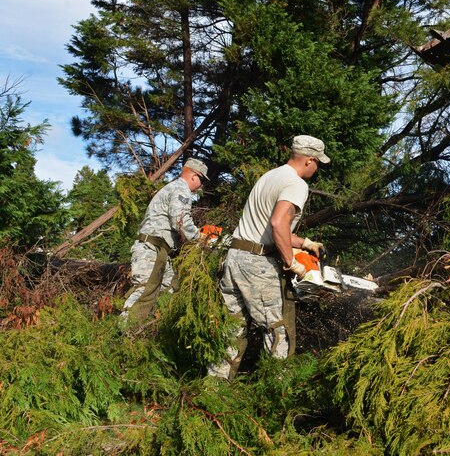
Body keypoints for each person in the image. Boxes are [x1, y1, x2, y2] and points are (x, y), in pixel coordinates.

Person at [208, 135, 330, 379]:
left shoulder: (270, 176)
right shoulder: (296, 184)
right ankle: (275, 392)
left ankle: (215, 388)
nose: (317, 170)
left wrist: (305, 243)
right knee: (277, 330)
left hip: (235, 257)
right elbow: (277, 224)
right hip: (257, 264)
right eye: (318, 164)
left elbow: (269, 227)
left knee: (232, 328)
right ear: (309, 160)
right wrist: (292, 262)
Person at [122, 158, 209, 324]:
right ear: (193, 176)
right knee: (144, 292)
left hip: (159, 250)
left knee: (167, 290)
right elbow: (180, 220)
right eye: (202, 180)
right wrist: (200, 239)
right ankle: (123, 334)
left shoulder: (173, 188)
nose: (201, 185)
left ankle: (146, 330)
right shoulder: (181, 190)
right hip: (152, 249)